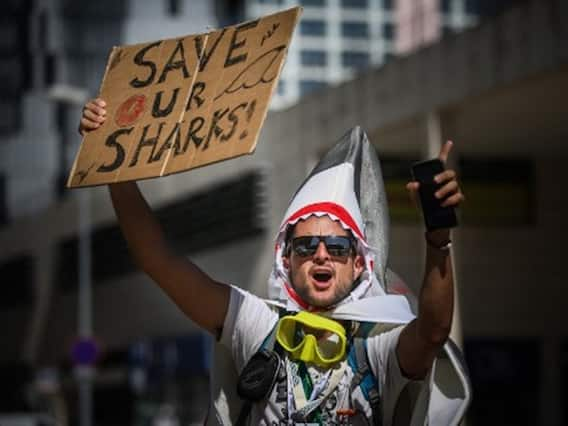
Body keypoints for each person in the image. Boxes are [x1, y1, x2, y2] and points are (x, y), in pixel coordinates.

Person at [79, 98, 467, 425]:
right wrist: (115, 165)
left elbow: (432, 332)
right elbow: (158, 260)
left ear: (359, 264)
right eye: (305, 246)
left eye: (336, 247)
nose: (320, 255)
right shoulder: (257, 324)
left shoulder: (377, 347)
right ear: (285, 258)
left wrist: (437, 236)